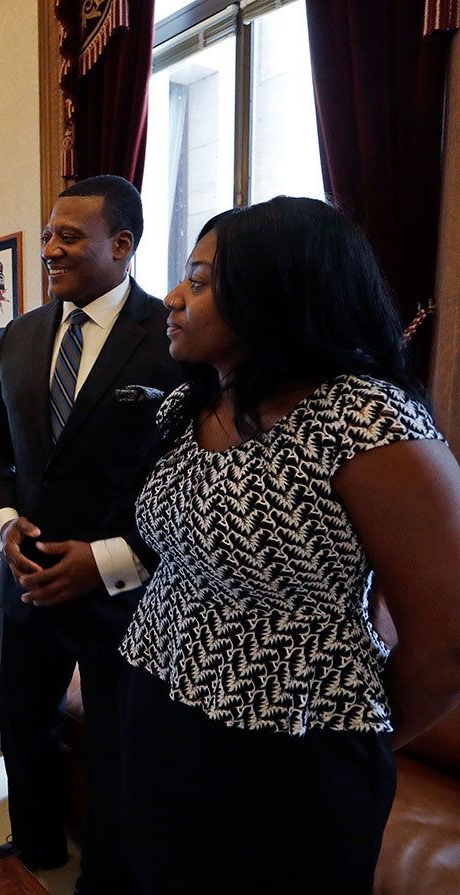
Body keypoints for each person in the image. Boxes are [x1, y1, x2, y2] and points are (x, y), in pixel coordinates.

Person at [118, 196, 460, 894]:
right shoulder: (187, 406)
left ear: (277, 291)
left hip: (290, 751)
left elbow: (448, 640)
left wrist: (346, 730)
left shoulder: (363, 419)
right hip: (159, 712)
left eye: (201, 280)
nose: (173, 298)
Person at [0, 175, 184, 893]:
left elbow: (189, 477)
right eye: (47, 235)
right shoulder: (24, 334)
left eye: (69, 236)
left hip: (124, 596)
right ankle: (33, 846)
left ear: (122, 245)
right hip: (24, 580)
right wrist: (4, 522)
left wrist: (109, 561)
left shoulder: (172, 340)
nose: (50, 249)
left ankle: (108, 879)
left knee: (120, 749)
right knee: (23, 728)